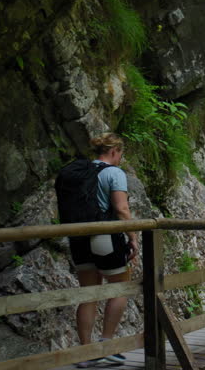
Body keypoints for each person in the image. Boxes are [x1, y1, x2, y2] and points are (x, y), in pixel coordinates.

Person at [68, 133, 139, 368]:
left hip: (79, 238)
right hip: (105, 237)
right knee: (120, 287)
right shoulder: (114, 173)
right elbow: (121, 209)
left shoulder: (81, 172)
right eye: (120, 154)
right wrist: (133, 238)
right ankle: (106, 346)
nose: (120, 158)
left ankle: (86, 353)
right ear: (114, 152)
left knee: (89, 294)